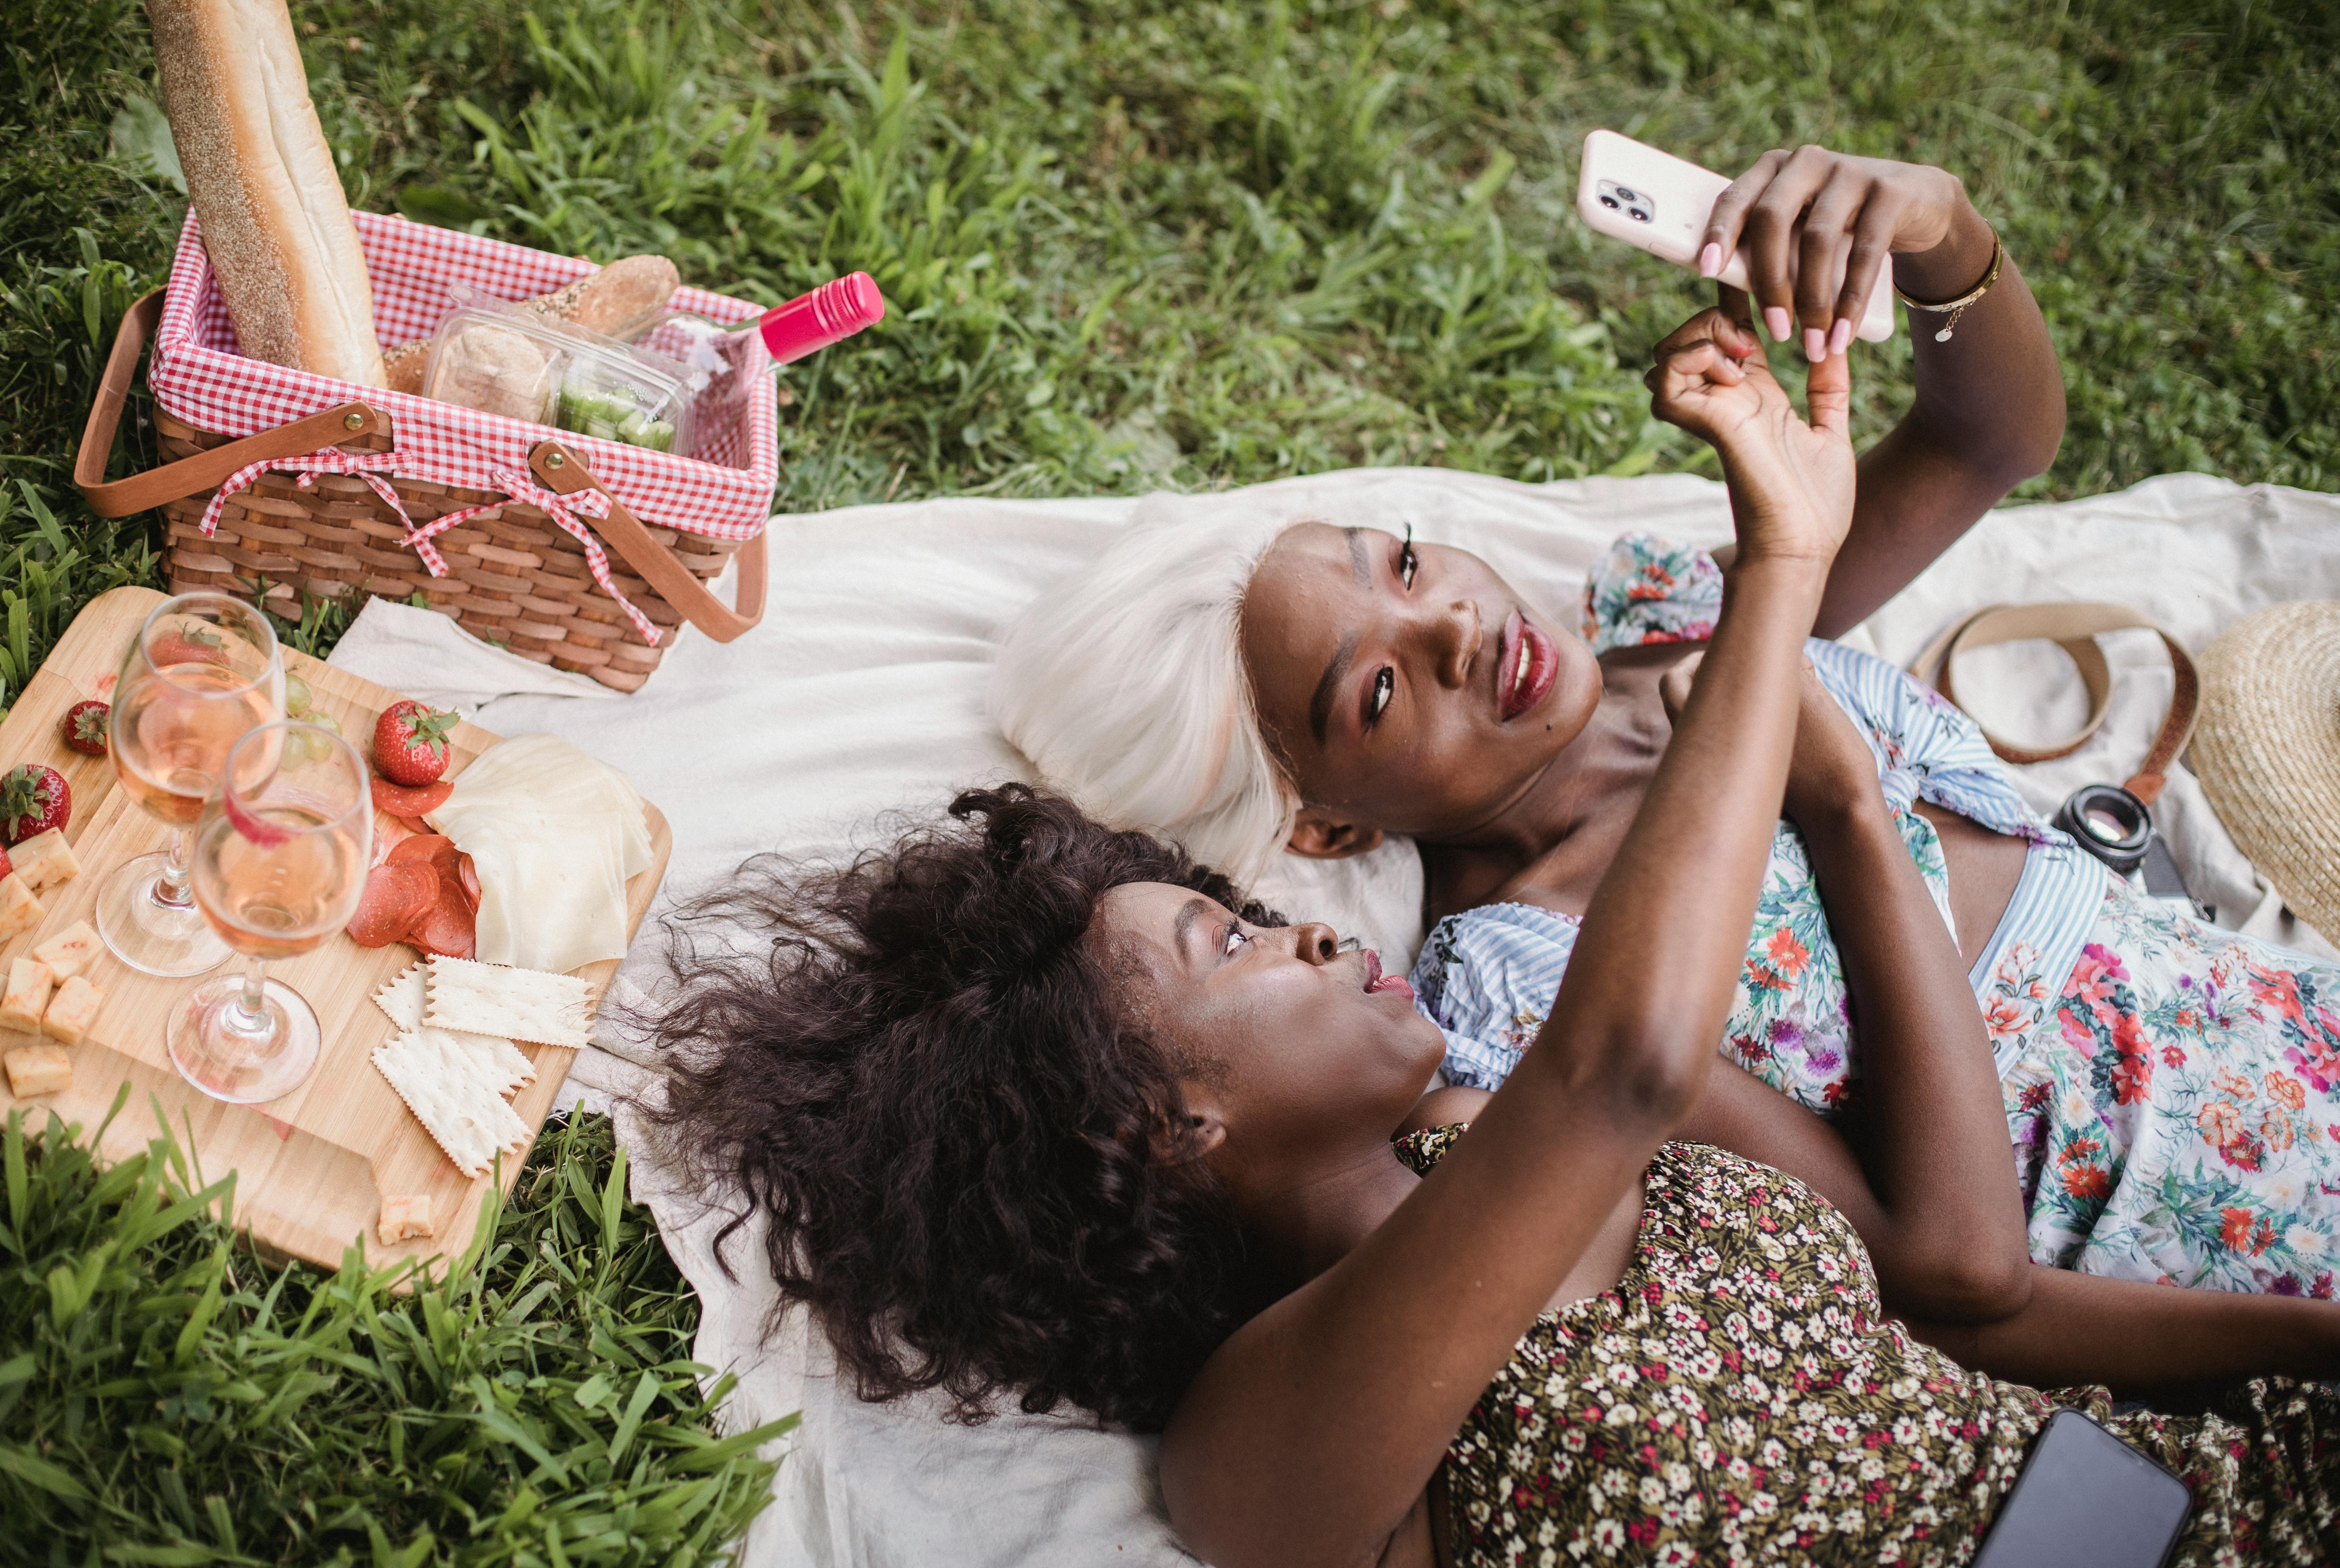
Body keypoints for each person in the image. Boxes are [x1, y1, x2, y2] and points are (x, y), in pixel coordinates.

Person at [656, 327, 2340, 1566]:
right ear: (1164, 1125)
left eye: (1246, 912)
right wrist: (1785, 584)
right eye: (1231, 943)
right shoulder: (1262, 1447)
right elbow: (1624, 1067)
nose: (1306, 938)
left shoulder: (1486, 1109)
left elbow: (1982, 1304)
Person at [991, 144, 2340, 1297]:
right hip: (2204, 1197)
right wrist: (1837, 799)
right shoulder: (1531, 991)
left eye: (1402, 563)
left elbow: (1991, 443)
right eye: (1381, 689)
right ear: (1328, 819)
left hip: (2284, 1001)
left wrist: (1939, 229)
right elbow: (1921, 1270)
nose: (1456, 623)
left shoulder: (1674, 618)